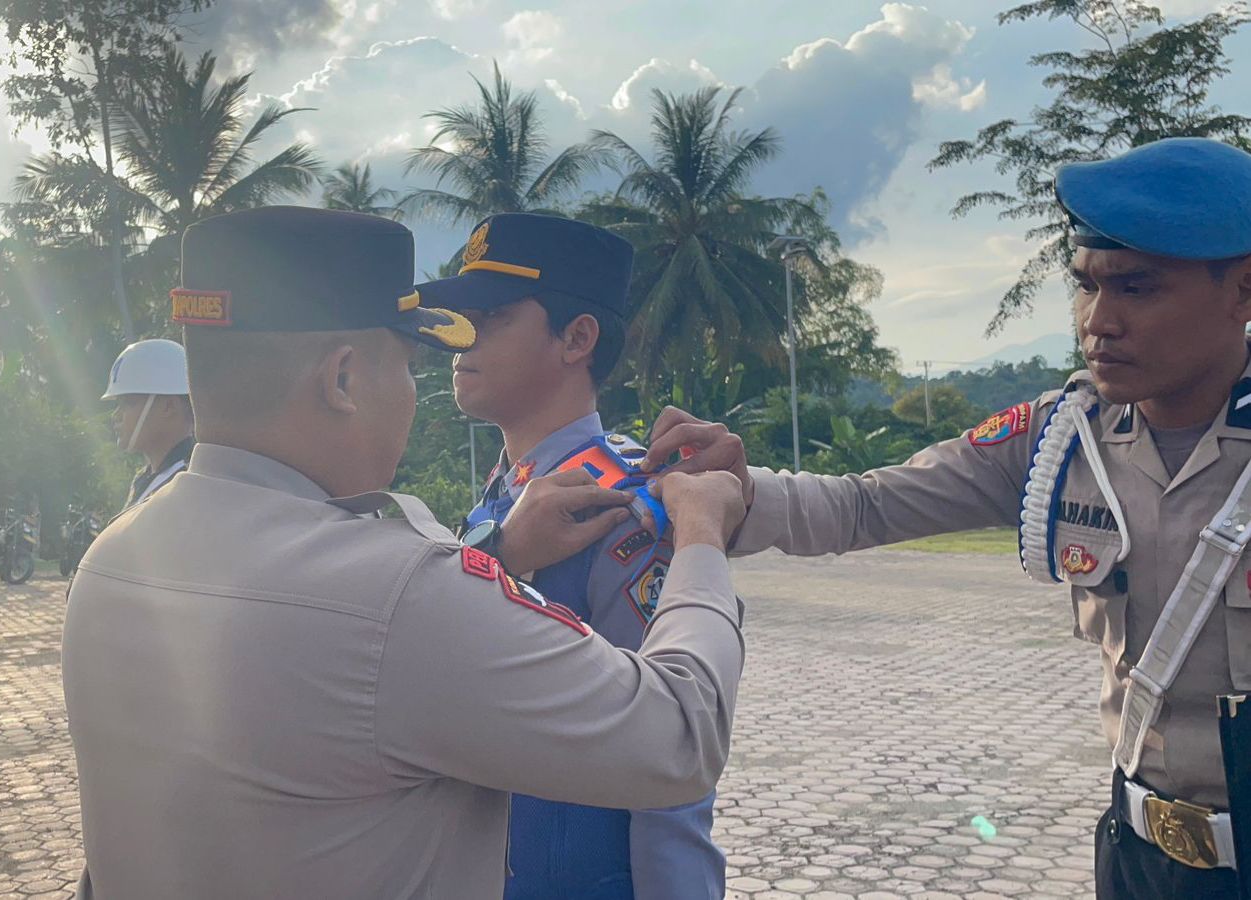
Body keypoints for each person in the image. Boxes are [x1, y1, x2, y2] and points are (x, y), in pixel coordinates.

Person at [61, 206, 749, 899]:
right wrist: (701, 533)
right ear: (341, 380)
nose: (420, 391)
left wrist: (500, 552)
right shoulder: (400, 593)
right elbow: (679, 738)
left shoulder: (112, 560)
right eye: (409, 367)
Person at [644, 137, 1251, 900]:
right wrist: (734, 490)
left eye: (1136, 288)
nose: (1098, 321)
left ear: (1242, 292)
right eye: (1084, 286)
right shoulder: (1059, 439)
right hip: (1138, 858)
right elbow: (866, 503)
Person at [416, 212, 726, 900]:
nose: (462, 339)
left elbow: (671, 762)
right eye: (462, 317)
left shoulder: (627, 505)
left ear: (577, 338)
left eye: (493, 317)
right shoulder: (502, 496)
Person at [102, 338, 195, 507]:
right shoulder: (147, 479)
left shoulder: (187, 484)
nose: (116, 415)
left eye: (129, 402)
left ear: (169, 407)